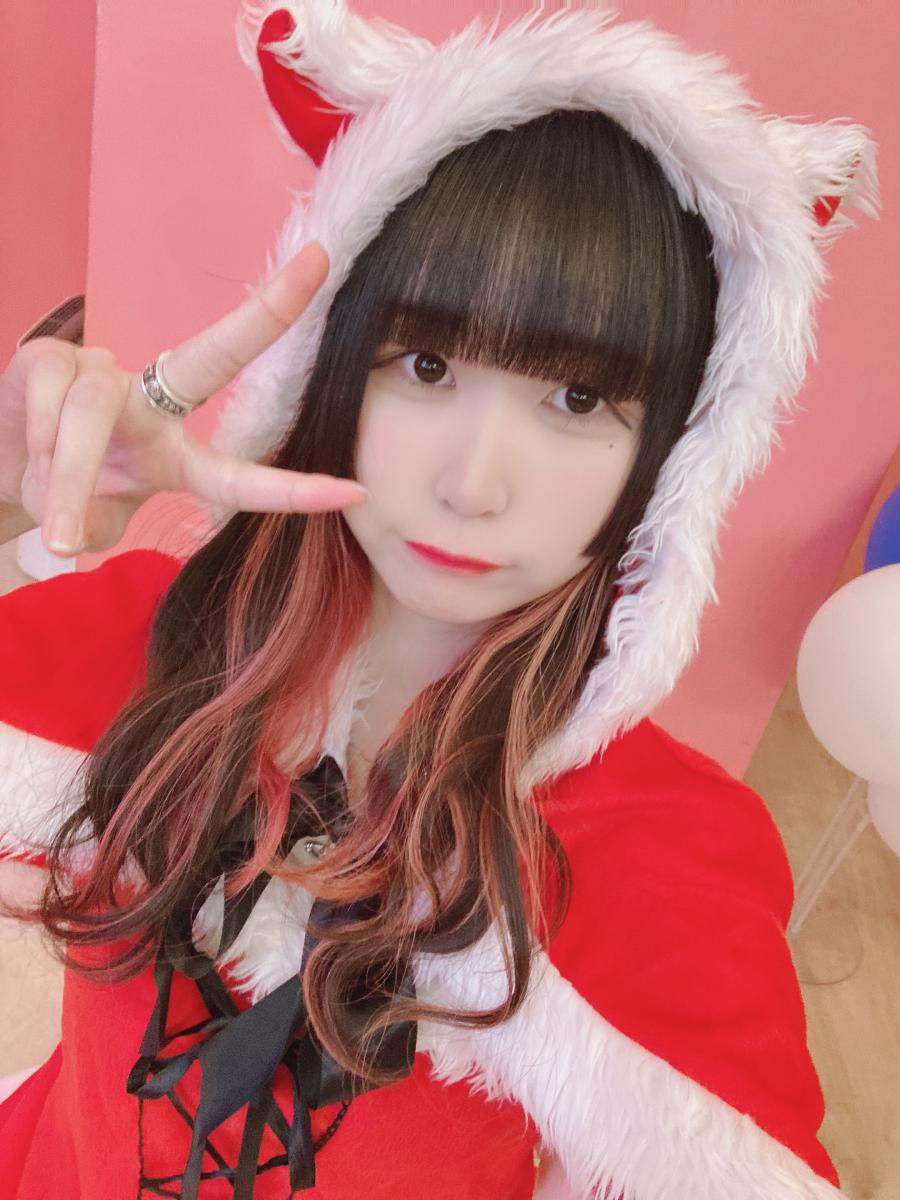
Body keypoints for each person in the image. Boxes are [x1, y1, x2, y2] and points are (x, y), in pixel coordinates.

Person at [0, 2, 880, 1198]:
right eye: (424, 365)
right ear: (330, 369)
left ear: (671, 461)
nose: (474, 486)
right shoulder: (154, 640)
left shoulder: (665, 857)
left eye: (578, 401)